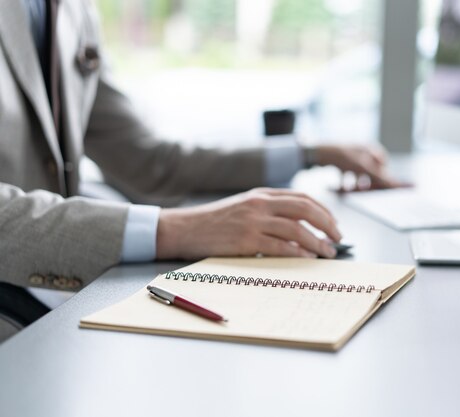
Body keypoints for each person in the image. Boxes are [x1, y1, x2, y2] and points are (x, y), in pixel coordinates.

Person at [0, 0, 400, 294]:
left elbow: (147, 159)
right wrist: (176, 230)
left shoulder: (72, 10)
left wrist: (308, 153)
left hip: (61, 308)